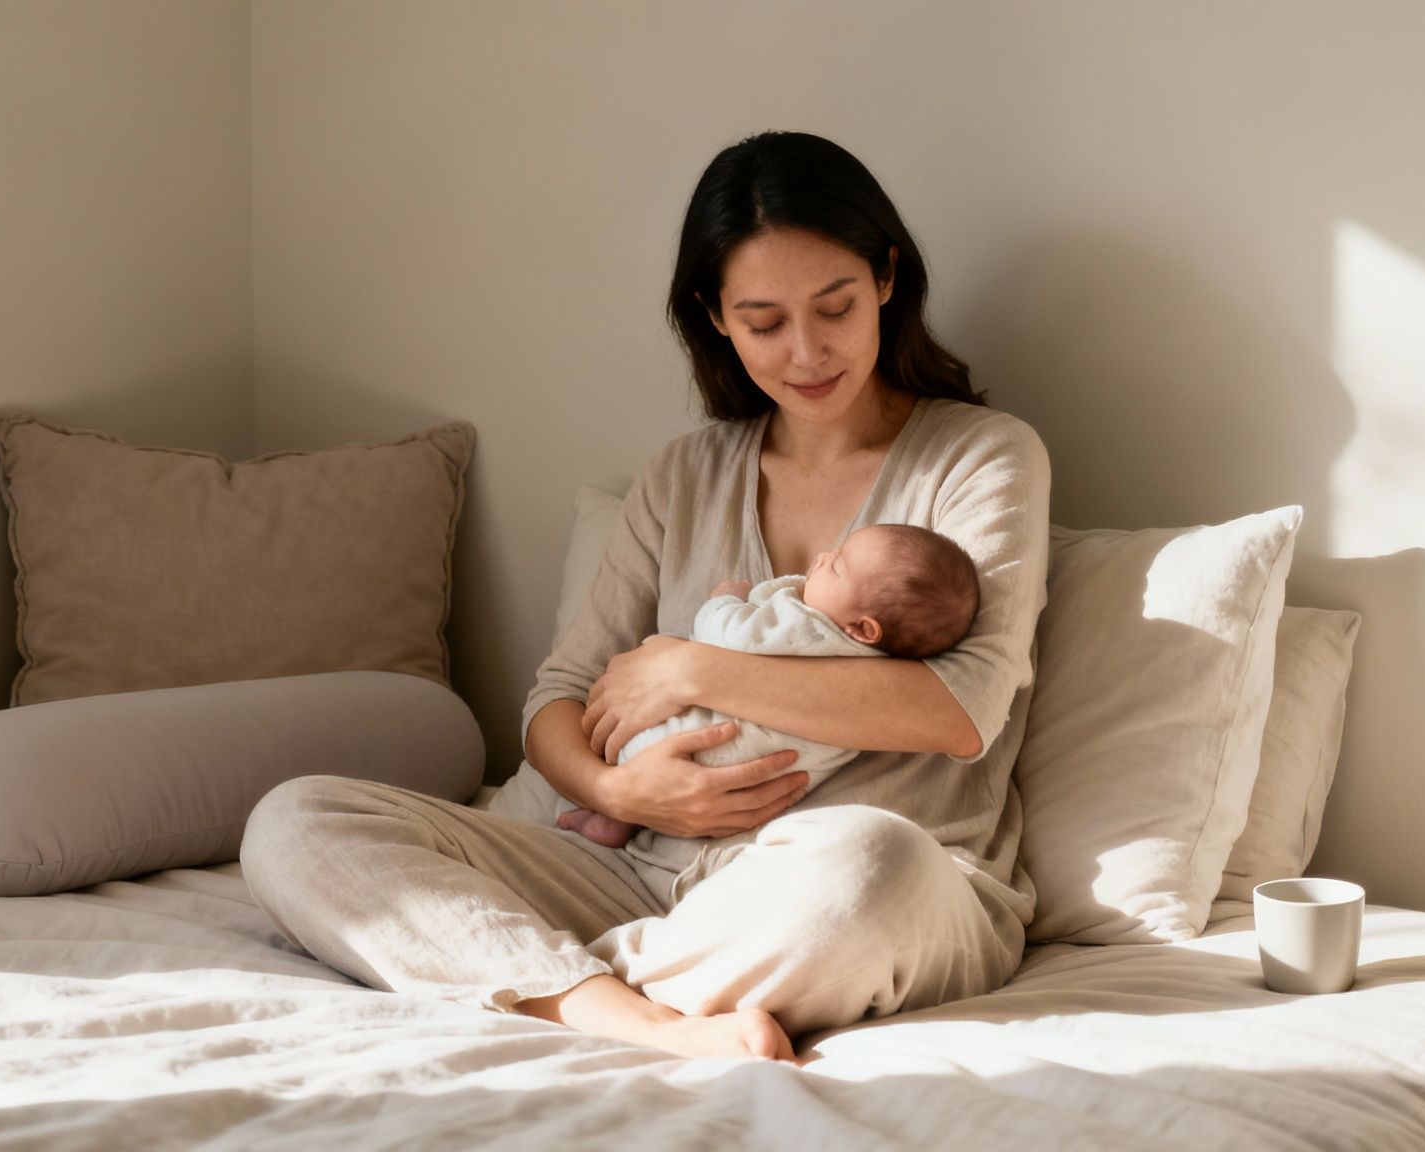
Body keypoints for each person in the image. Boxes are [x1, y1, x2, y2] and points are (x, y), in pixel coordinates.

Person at [238, 129, 1051, 1063]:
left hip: (846, 890)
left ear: (886, 279)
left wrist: (690, 665)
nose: (806, 351)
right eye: (763, 321)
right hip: (636, 868)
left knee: (872, 866)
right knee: (296, 821)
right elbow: (560, 699)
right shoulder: (685, 476)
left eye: (834, 307)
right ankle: (636, 1020)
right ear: (715, 316)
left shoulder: (983, 456)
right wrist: (617, 788)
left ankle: (524, 970)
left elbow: (961, 710)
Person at [553, 522, 982, 850]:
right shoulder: (877, 670)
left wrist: (725, 600)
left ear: (863, 628)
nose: (821, 558)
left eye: (835, 566)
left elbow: (731, 638)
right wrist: (614, 795)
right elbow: (560, 686)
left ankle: (615, 812)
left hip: (697, 751)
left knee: (644, 732)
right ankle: (617, 813)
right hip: (746, 793)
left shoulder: (809, 629)